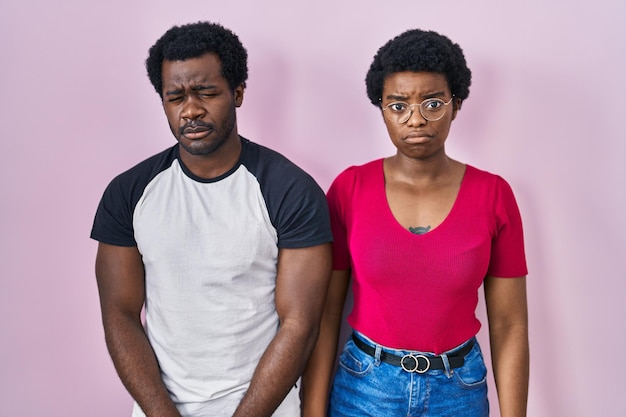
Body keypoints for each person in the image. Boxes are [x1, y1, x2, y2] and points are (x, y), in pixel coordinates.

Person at [91, 21, 333, 417]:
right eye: (175, 97)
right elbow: (119, 313)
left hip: (264, 408)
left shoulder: (289, 190)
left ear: (237, 93)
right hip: (160, 407)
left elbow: (300, 325)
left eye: (206, 92)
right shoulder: (129, 193)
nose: (191, 110)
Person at [302, 29, 529, 417]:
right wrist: (312, 410)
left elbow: (509, 325)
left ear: (456, 105)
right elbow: (325, 313)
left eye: (433, 102)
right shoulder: (349, 189)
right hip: (365, 387)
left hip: (459, 390)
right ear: (382, 109)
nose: (416, 119)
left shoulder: (493, 195)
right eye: (398, 105)